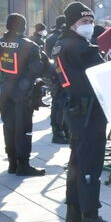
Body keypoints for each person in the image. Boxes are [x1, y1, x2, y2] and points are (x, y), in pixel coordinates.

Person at [52, 2, 111, 222]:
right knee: (90, 163)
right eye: (84, 21)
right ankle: (90, 216)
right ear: (73, 23)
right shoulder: (82, 48)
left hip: (74, 111)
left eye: (91, 21)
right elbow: (103, 79)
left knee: (77, 161)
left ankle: (74, 213)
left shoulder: (61, 44)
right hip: (89, 111)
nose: (89, 26)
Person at [0, 13, 50, 176]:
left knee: (8, 127)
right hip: (23, 95)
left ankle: (12, 163)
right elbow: (37, 69)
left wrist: (5, 81)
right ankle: (23, 164)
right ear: (23, 26)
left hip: (5, 93)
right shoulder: (29, 45)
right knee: (23, 129)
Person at [44, 16, 71, 144]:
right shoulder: (62, 39)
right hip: (62, 74)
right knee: (61, 104)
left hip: (53, 73)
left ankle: (58, 131)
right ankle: (60, 132)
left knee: (56, 103)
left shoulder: (50, 38)